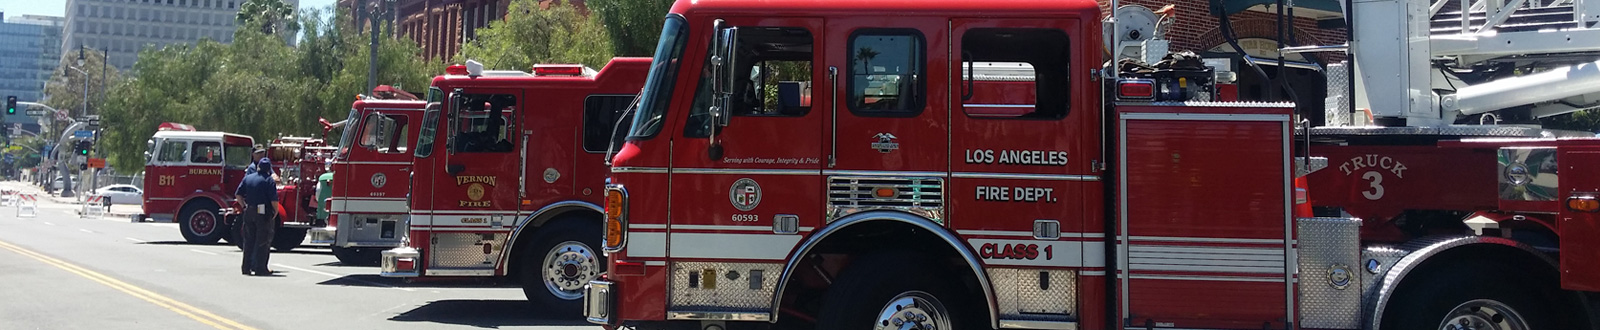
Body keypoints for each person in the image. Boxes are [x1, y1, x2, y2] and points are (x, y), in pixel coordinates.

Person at [234, 158, 278, 276]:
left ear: (258, 167)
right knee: (262, 240)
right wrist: (276, 211)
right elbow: (273, 200)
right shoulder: (269, 180)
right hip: (262, 210)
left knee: (248, 240)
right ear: (269, 169)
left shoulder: (248, 178)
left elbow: (238, 194)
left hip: (249, 209)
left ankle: (246, 268)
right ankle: (260, 268)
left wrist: (244, 205)